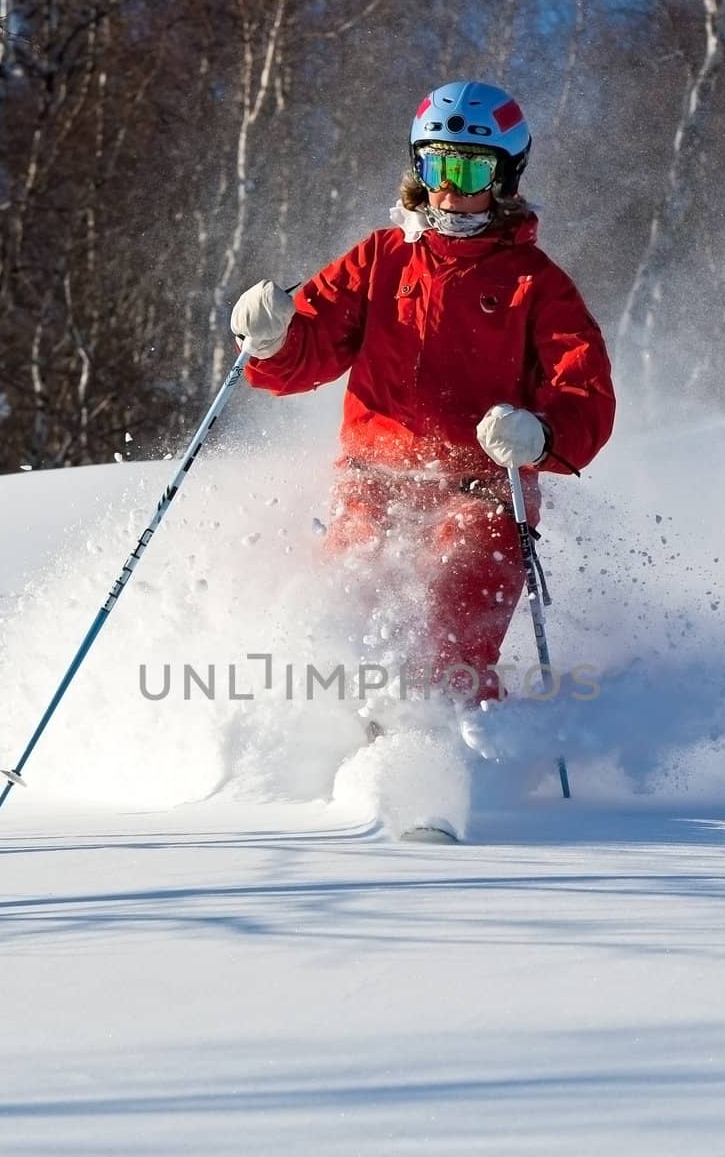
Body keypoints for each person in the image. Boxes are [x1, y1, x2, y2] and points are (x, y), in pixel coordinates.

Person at [231, 79, 616, 702]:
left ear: (505, 178)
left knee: (449, 635)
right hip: (373, 484)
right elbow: (310, 350)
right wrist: (272, 340)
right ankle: (322, 759)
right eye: (437, 164)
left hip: (481, 493)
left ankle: (462, 762)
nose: (449, 187)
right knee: (342, 625)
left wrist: (540, 434)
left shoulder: (536, 284)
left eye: (469, 171)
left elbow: (587, 392)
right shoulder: (382, 258)